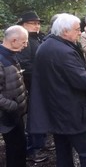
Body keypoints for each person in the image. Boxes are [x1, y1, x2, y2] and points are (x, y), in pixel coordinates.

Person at [27, 13, 86, 167]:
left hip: (56, 110)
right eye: (77, 29)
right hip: (72, 112)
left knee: (63, 150)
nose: (80, 32)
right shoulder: (64, 51)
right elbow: (83, 82)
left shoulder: (46, 45)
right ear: (65, 31)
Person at [16, 11, 48, 163]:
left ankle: (42, 143)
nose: (37, 25)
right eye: (33, 23)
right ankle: (33, 149)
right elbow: (25, 65)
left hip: (42, 84)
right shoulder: (25, 41)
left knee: (43, 114)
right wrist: (41, 74)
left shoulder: (39, 37)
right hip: (31, 86)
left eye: (38, 23)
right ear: (23, 25)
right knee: (34, 117)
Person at [0, 25, 28, 167]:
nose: (26, 45)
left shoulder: (10, 55)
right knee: (14, 149)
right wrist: (13, 106)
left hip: (16, 114)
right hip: (7, 116)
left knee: (21, 146)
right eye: (23, 42)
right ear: (14, 40)